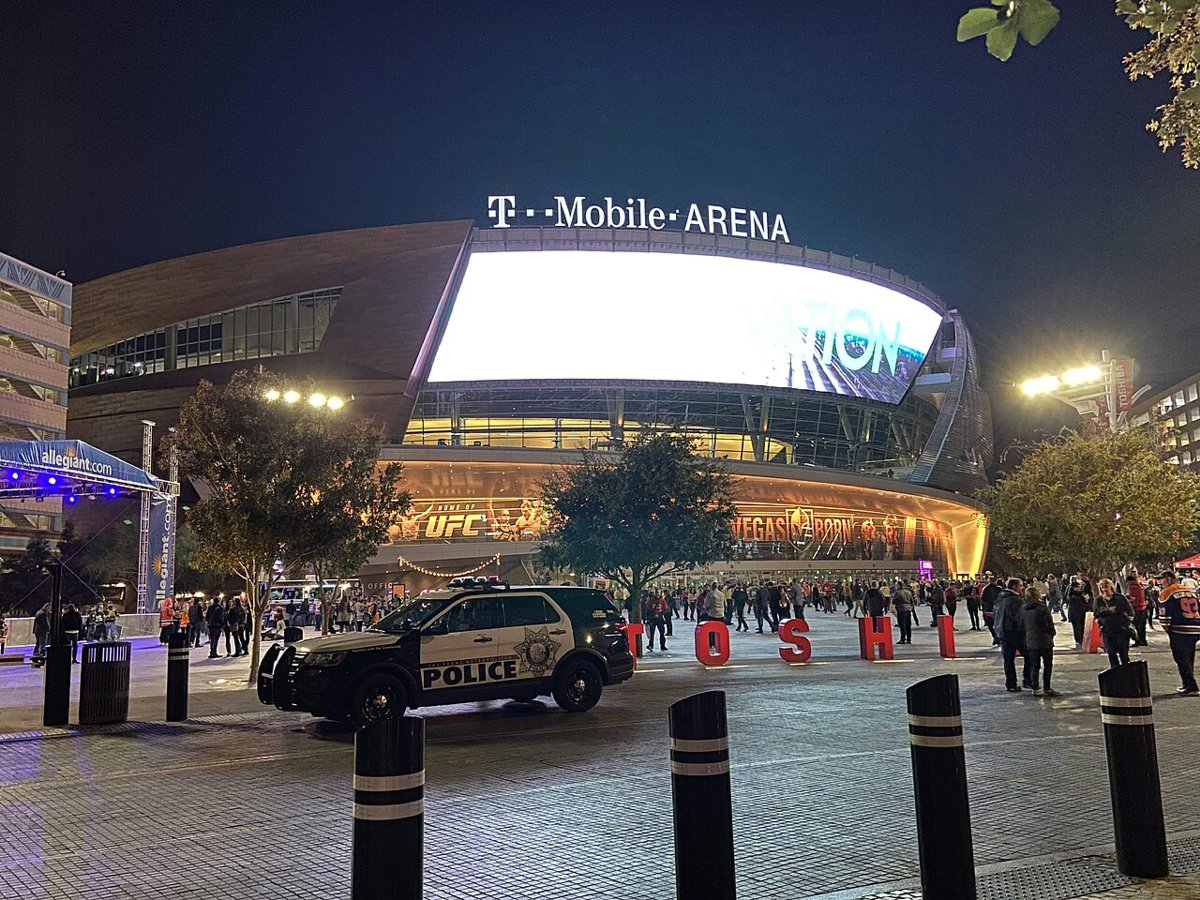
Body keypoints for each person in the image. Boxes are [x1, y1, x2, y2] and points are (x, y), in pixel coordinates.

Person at [1157, 569, 1200, 695]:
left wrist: (1167, 629)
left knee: (1180, 658)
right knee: (1189, 657)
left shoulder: (1167, 592)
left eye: (1162, 579)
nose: (1160, 582)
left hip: (1180, 629)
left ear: (1169, 579)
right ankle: (1187, 683)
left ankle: (1191, 686)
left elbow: (1165, 615)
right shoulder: (1188, 590)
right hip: (1195, 626)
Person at [1022, 586, 1060, 697]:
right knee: (1047, 665)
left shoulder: (1023, 609)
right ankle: (1047, 688)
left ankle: (1035, 688)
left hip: (1030, 641)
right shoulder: (1042, 608)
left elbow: (1021, 625)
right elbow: (1048, 623)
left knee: (1034, 665)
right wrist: (1052, 633)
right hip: (1044, 640)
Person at [992, 577, 1026, 692]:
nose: (1023, 588)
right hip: (1014, 633)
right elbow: (1018, 618)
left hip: (1003, 633)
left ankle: (1011, 684)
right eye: (1021, 585)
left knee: (1008, 660)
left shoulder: (1001, 598)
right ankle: (1028, 680)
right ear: (1014, 587)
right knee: (1030, 656)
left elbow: (995, 615)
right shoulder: (1016, 600)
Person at [1094, 578, 1134, 668]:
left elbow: (1130, 612)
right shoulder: (1098, 600)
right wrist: (1100, 625)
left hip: (1121, 631)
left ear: (1111, 586)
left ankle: (1127, 674)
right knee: (1111, 654)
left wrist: (1126, 625)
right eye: (1102, 586)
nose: (1104, 588)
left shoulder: (1120, 598)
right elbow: (1096, 615)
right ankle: (1115, 676)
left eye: (1106, 585)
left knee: (1124, 655)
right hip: (1107, 631)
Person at [1065, 576, 1090, 650]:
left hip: (1082, 614)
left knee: (1082, 628)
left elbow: (1086, 603)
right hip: (1075, 615)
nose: (1079, 588)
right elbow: (1071, 600)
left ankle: (1082, 641)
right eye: (1077, 587)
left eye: (1079, 587)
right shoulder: (1071, 595)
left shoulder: (1081, 594)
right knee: (1076, 628)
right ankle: (1078, 641)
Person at [1126, 574, 1148, 646]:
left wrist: (1127, 598)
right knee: (1142, 626)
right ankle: (1143, 640)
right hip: (1143, 607)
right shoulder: (1140, 587)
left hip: (1136, 608)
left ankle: (1138, 640)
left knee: (1136, 626)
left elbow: (1133, 598)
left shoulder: (1132, 587)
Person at [980, 576, 1000, 645]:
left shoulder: (985, 589)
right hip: (998, 609)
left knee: (990, 624)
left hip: (988, 609)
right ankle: (997, 636)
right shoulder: (999, 589)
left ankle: (994, 635)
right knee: (997, 624)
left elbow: (983, 598)